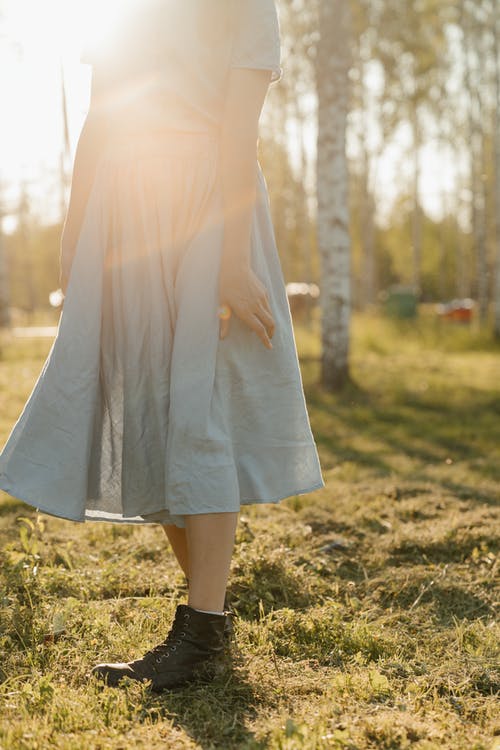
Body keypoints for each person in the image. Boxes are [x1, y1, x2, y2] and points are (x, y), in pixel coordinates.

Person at [0, 0, 324, 692]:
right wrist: (72, 235)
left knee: (198, 411)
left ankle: (203, 631)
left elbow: (239, 140)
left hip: (209, 211)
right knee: (147, 413)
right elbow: (100, 119)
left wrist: (233, 262)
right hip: (125, 213)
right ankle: (211, 617)